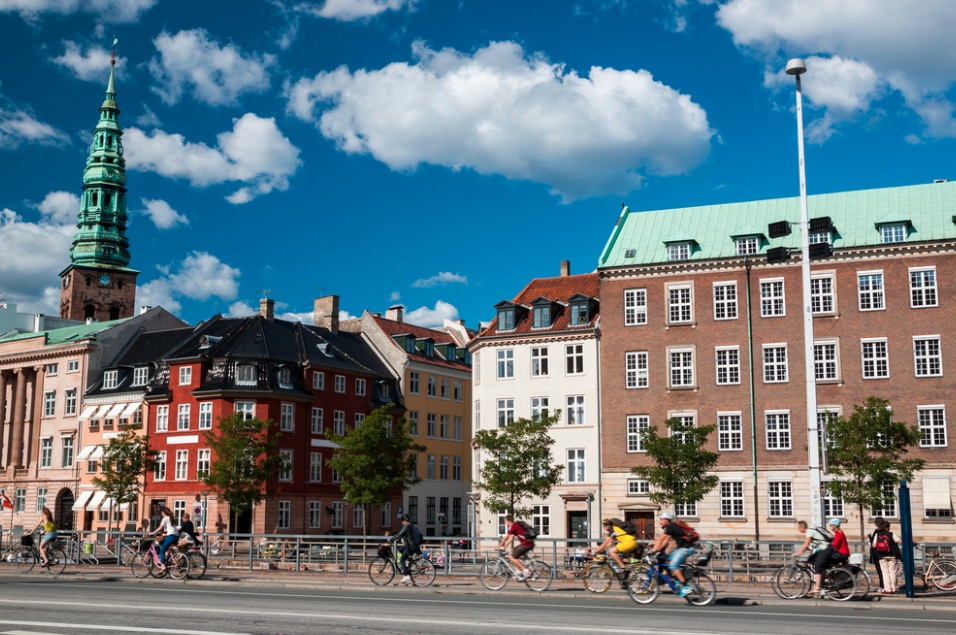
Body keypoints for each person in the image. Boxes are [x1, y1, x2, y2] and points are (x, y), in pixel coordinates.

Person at [649, 512, 695, 597]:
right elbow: (663, 541)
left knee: (670, 564)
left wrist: (653, 550)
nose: (659, 521)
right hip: (680, 548)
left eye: (661, 519)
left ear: (667, 520)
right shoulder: (670, 527)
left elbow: (663, 541)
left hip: (683, 548)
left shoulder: (670, 527)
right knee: (664, 561)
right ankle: (673, 579)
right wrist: (656, 546)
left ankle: (685, 586)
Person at [593, 518, 640, 586]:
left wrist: (596, 551)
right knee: (626, 561)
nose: (604, 527)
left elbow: (604, 543)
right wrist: (603, 549)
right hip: (633, 542)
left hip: (629, 543)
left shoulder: (613, 530)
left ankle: (623, 567)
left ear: (608, 525)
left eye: (604, 526)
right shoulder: (616, 529)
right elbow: (609, 543)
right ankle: (626, 580)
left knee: (612, 552)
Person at [811, 517, 849, 596]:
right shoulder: (838, 533)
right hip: (840, 554)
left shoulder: (839, 534)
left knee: (822, 563)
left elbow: (834, 545)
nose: (830, 526)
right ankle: (825, 582)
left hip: (841, 554)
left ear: (835, 526)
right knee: (824, 565)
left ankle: (823, 585)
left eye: (831, 525)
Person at [388, 514, 422, 584]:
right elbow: (406, 535)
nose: (402, 522)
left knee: (401, 560)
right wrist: (398, 539)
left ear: (406, 520)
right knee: (400, 550)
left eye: (402, 520)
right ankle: (407, 567)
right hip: (411, 545)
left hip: (411, 546)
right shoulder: (410, 526)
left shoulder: (407, 526)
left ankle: (406, 575)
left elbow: (400, 534)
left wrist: (391, 539)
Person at [871, 517, 902, 594]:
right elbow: (900, 541)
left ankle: (887, 589)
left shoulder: (877, 535)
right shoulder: (892, 534)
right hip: (892, 555)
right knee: (892, 572)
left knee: (885, 572)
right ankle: (893, 588)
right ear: (888, 527)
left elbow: (874, 546)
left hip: (882, 556)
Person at [498, 514, 533, 581]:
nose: (505, 523)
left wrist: (499, 546)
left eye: (505, 521)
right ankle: (517, 571)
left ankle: (526, 571)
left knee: (511, 557)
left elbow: (506, 537)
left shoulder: (513, 526)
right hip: (527, 543)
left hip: (526, 544)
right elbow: (510, 539)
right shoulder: (515, 526)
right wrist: (504, 547)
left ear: (508, 521)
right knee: (513, 552)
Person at [149, 506, 180, 571]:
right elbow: (171, 528)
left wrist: (152, 533)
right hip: (176, 537)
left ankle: (163, 566)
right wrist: (165, 533)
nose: (161, 514)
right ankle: (168, 556)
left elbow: (160, 528)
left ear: (163, 512)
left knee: (161, 552)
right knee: (162, 542)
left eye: (161, 513)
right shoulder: (171, 518)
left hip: (171, 537)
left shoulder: (165, 518)